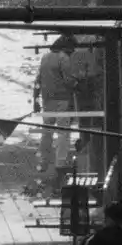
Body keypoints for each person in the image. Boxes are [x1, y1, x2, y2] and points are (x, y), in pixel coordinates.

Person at [36, 34, 79, 186]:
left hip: (47, 100)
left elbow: (38, 79)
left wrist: (36, 98)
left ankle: (43, 161)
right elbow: (68, 80)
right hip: (62, 100)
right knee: (62, 133)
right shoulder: (63, 58)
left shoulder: (45, 57)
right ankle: (61, 162)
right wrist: (78, 83)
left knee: (46, 132)